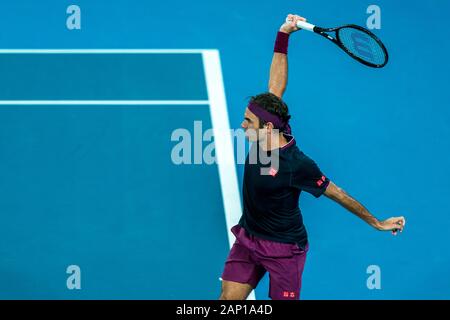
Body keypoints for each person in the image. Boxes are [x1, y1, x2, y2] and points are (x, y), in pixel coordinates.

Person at [219, 14, 406, 300]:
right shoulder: (270, 125)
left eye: (247, 121)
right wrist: (284, 34)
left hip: (284, 249)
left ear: (267, 127)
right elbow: (275, 86)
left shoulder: (296, 164)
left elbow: (339, 194)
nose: (242, 125)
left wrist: (376, 222)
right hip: (249, 237)